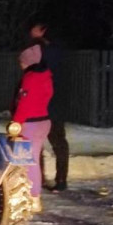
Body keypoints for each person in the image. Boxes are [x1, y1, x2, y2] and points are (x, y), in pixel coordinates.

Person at [13, 44, 53, 213]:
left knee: (24, 161)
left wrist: (16, 123)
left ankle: (30, 196)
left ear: (28, 62)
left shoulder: (30, 78)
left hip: (29, 123)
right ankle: (33, 196)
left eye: (22, 62)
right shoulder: (46, 77)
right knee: (33, 159)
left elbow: (24, 104)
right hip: (43, 121)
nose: (20, 65)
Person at [30, 22, 69, 192]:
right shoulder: (59, 51)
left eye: (35, 29)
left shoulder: (40, 52)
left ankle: (40, 178)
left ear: (43, 31)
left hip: (42, 105)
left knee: (38, 143)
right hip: (56, 103)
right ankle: (61, 179)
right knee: (59, 142)